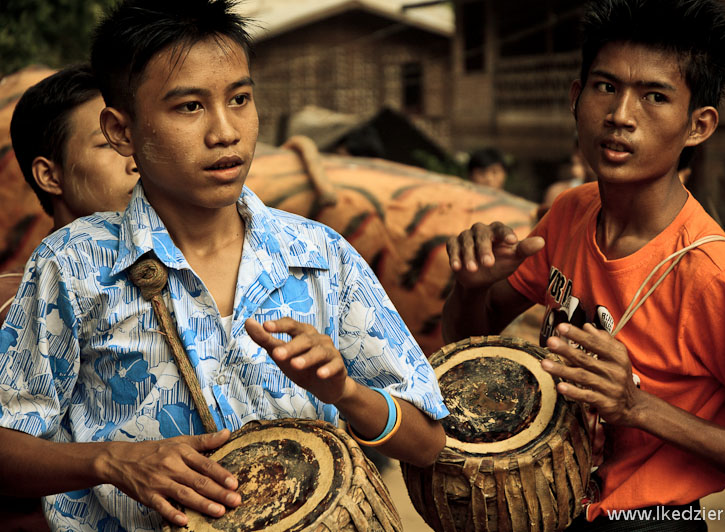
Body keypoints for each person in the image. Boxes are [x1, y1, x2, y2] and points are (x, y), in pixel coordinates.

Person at [0, 1, 447, 531]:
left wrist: (345, 392)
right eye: (189, 107)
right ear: (122, 132)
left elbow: (427, 443)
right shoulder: (71, 266)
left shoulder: (320, 255)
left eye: (239, 99)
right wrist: (111, 462)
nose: (225, 132)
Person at [443, 0, 725, 529]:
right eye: (606, 87)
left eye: (655, 96)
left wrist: (638, 409)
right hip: (552, 505)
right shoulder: (570, 211)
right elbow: (464, 342)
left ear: (698, 126)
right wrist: (471, 288)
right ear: (575, 97)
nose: (620, 115)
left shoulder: (712, 274)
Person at [0, 63, 140, 532]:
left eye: (137, 138)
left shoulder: (184, 285)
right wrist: (108, 462)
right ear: (50, 175)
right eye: (108, 144)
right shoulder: (8, 307)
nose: (135, 158)